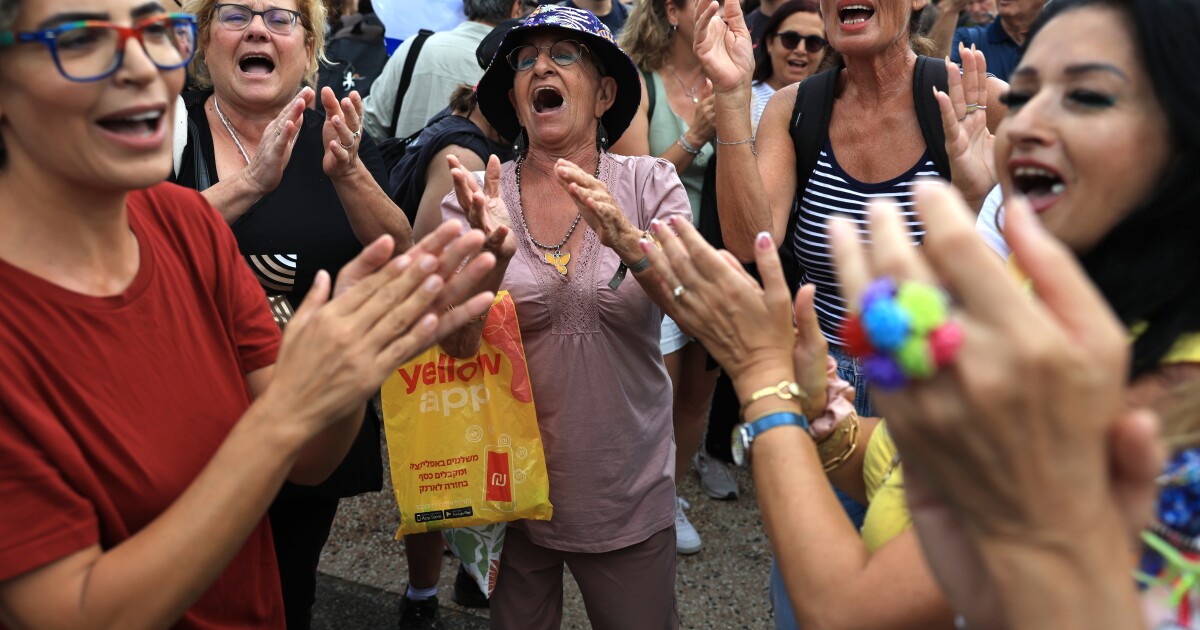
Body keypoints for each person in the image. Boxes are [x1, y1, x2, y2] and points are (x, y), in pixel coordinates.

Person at [0, 0, 497, 627]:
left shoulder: (185, 226)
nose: (140, 65)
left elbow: (313, 459)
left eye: (156, 30)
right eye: (80, 38)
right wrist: (283, 417)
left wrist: (343, 360)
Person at [443, 6, 691, 627]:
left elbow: (697, 308)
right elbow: (453, 349)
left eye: (563, 55)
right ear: (515, 99)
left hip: (626, 495)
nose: (540, 68)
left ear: (605, 93)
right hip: (512, 492)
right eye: (524, 62)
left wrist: (632, 246)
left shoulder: (650, 183)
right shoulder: (475, 198)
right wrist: (488, 268)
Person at [172, 0, 413, 627]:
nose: (257, 28)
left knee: (288, 587)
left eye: (280, 18)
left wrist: (351, 173)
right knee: (188, 587)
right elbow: (138, 244)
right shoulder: (168, 133)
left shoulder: (338, 131)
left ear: (308, 49)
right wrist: (250, 183)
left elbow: (399, 253)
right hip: (189, 419)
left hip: (314, 418)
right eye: (235, 15)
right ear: (203, 43)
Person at [386, 20, 517, 629]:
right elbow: (426, 256)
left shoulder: (469, 136)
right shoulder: (465, 154)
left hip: (448, 322)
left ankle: (462, 575)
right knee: (437, 465)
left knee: (447, 463)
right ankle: (423, 595)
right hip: (436, 330)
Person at [611, 0, 725, 556]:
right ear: (672, 12)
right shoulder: (638, 79)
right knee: (662, 392)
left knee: (698, 396)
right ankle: (639, 498)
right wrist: (697, 134)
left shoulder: (732, 73)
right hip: (654, 262)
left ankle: (671, 496)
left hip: (714, 256)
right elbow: (631, 188)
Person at [362, 0, 533, 141]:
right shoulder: (515, 67)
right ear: (516, 8)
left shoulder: (415, 46)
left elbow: (369, 125)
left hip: (397, 179)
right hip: (483, 180)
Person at [749, 0, 825, 130]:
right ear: (770, 43)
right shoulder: (742, 100)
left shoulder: (831, 106)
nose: (801, 50)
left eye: (813, 42)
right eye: (790, 39)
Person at [935, 0, 1042, 81]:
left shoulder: (1055, 40)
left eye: (982, 1)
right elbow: (934, 74)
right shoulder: (968, 39)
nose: (976, 9)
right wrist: (951, 10)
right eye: (971, 3)